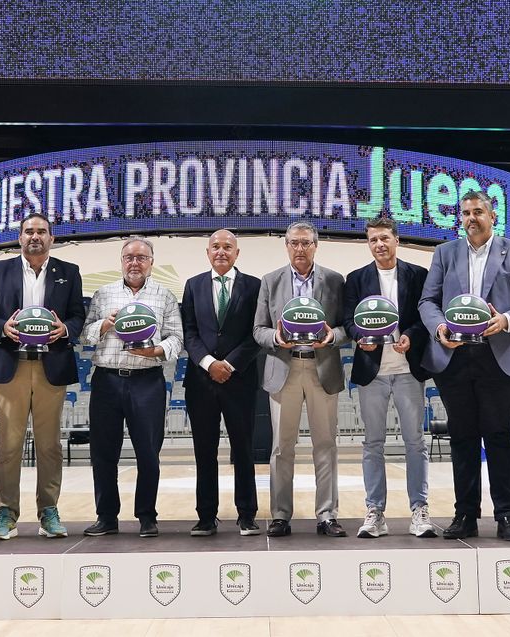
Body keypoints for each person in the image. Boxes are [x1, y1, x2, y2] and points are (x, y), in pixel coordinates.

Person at [418, 190, 510, 542]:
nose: (471, 218)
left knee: (500, 437)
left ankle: (506, 516)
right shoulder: (445, 253)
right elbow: (428, 301)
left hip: (497, 355)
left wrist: (505, 319)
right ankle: (465, 515)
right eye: (466, 213)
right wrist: (440, 328)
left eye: (478, 212)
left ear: (492, 216)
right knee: (463, 438)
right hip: (454, 356)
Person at [0, 214, 83, 540]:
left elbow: (78, 315)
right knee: (8, 446)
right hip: (12, 365)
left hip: (51, 366)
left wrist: (65, 329)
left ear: (52, 238)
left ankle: (48, 511)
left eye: (41, 232)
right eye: (28, 231)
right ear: (19, 237)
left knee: (50, 446)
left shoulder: (69, 272)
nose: (34, 236)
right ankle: (6, 513)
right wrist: (2, 328)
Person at [80, 237, 183, 538]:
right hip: (107, 379)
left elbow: (177, 338)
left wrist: (157, 351)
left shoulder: (165, 296)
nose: (135, 262)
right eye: (129, 257)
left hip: (147, 380)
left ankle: (147, 516)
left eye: (141, 257)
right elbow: (85, 335)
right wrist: (104, 325)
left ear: (152, 261)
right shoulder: (103, 293)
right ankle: (106, 516)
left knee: (148, 453)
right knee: (103, 453)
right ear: (121, 261)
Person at [254, 220, 348, 537]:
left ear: (315, 245)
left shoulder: (335, 280)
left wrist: (332, 336)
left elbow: (348, 328)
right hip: (285, 368)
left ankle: (327, 515)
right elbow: (258, 330)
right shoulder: (270, 281)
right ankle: (280, 514)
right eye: (294, 242)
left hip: (322, 368)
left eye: (306, 242)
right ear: (286, 246)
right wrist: (277, 339)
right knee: (282, 448)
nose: (300, 248)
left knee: (326, 445)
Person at [344, 215, 435, 538]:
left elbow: (426, 317)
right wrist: (360, 337)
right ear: (368, 244)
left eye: (384, 238)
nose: (379, 244)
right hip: (373, 372)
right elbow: (348, 319)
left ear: (396, 240)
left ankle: (419, 510)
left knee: (415, 443)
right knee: (373, 444)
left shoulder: (418, 275)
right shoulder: (356, 278)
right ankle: (375, 512)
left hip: (408, 370)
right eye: (373, 240)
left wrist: (411, 335)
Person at [181, 229, 263, 537]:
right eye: (215, 246)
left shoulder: (255, 286)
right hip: (201, 382)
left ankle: (247, 514)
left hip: (239, 379)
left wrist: (228, 364)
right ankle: (206, 516)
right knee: (205, 450)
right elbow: (189, 332)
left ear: (237, 253)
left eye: (227, 247)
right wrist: (209, 363)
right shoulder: (193, 286)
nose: (221, 251)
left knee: (243, 449)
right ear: (207, 252)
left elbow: (256, 333)